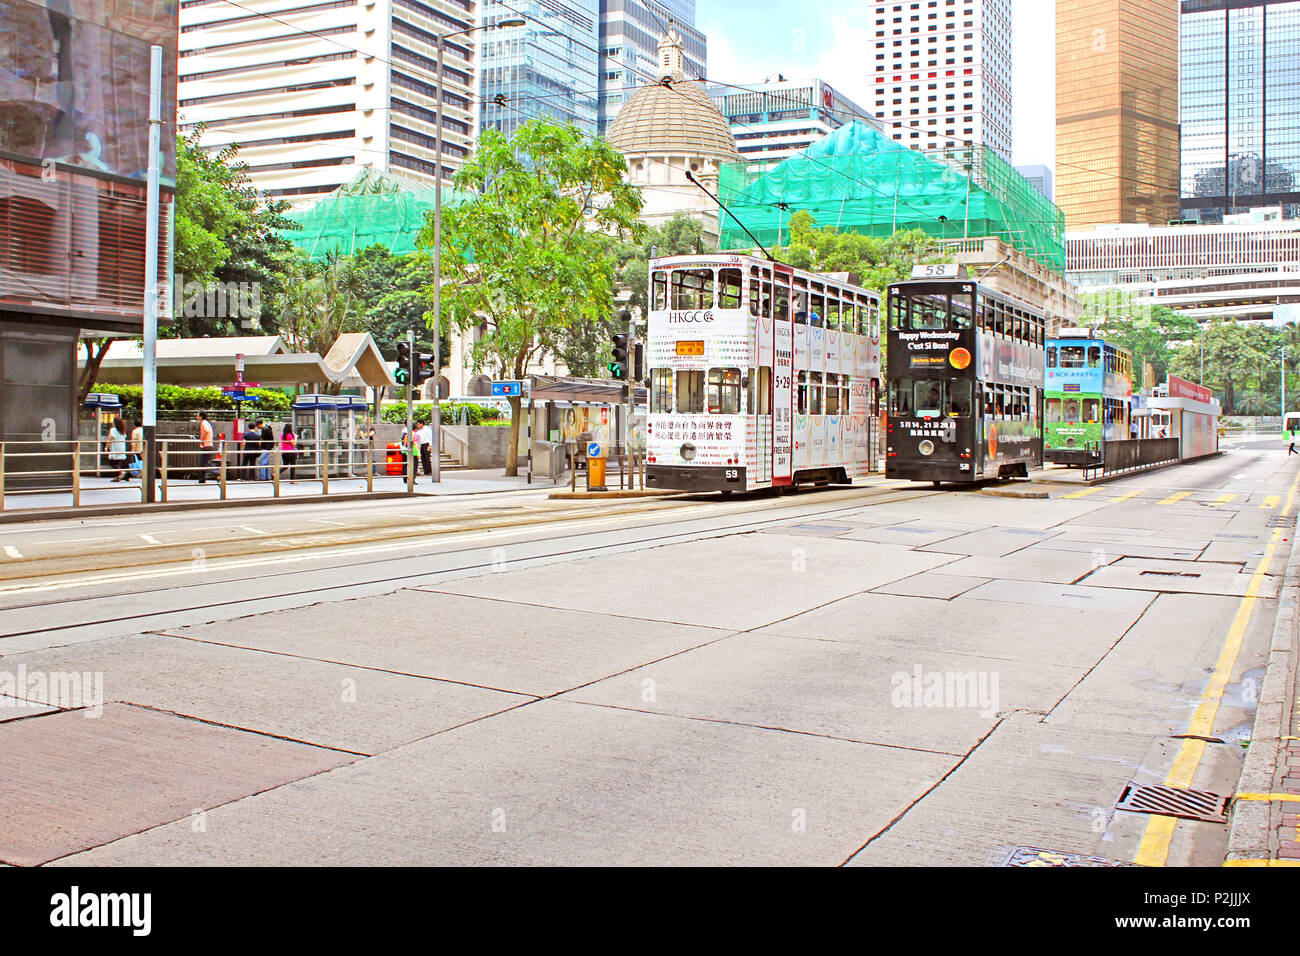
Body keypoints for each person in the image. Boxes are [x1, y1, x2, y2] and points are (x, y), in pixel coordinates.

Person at [105, 416, 129, 482]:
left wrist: (106, 447)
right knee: (117, 462)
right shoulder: (122, 430)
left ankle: (122, 473)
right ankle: (117, 477)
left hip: (115, 448)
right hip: (121, 447)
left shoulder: (113, 430)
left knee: (112, 463)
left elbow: (110, 438)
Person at [197, 411, 216, 483]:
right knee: (206, 463)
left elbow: (207, 431)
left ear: (201, 417)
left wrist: (201, 438)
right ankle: (202, 479)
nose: (197, 417)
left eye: (197, 416)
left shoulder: (203, 423)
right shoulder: (207, 422)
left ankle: (217, 473)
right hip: (209, 445)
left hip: (206, 445)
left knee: (203, 463)